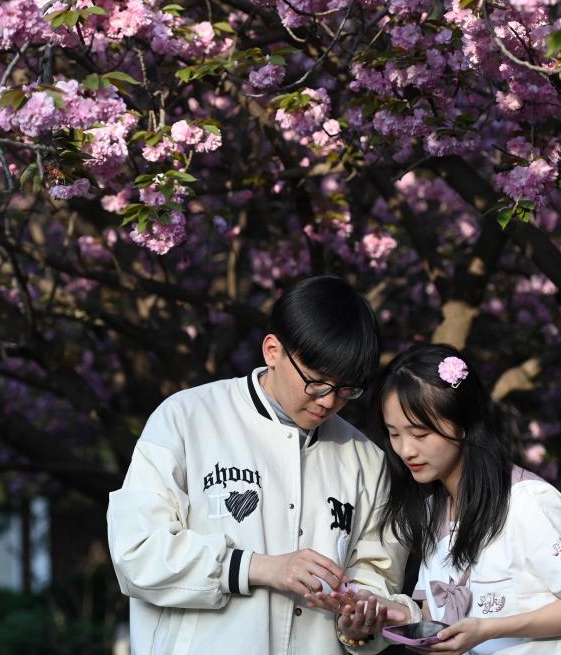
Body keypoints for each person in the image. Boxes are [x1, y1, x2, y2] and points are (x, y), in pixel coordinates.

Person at [106, 276, 412, 654]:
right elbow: (136, 552)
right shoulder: (187, 418)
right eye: (316, 383)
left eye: (346, 390)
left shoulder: (366, 460)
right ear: (273, 351)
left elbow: (377, 574)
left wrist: (360, 619)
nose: (329, 402)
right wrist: (257, 567)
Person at [338, 343, 561, 654]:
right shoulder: (433, 510)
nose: (406, 450)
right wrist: (372, 611)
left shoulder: (526, 501)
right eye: (394, 434)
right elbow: (433, 618)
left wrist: (487, 629)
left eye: (420, 434)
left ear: (463, 424)